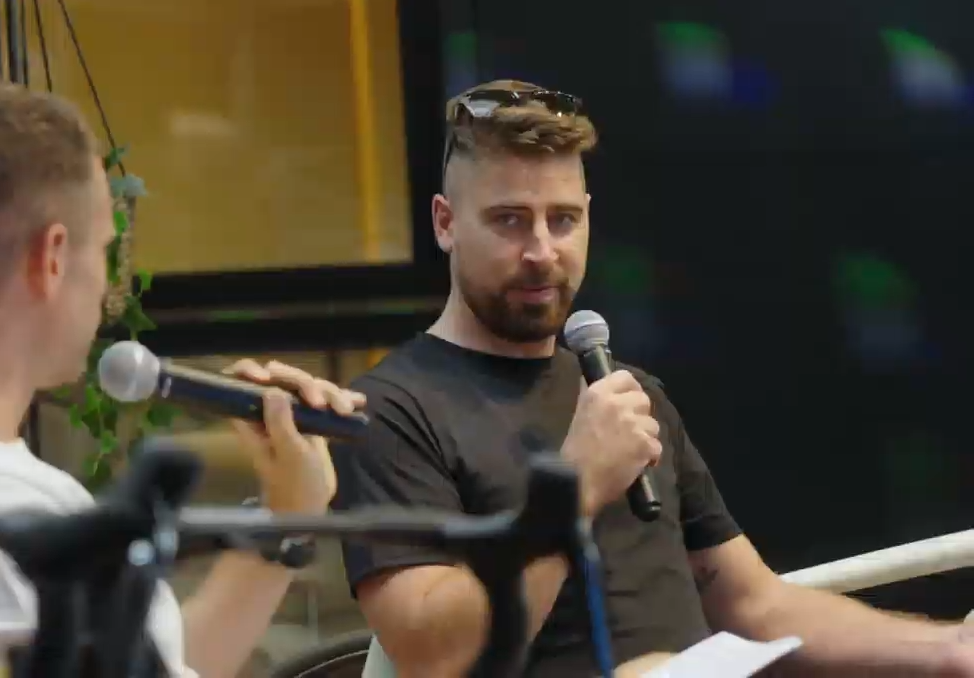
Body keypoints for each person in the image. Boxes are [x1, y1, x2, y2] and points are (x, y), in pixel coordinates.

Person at [329, 79, 974, 677]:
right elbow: (432, 656)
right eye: (509, 220)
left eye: (563, 219)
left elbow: (754, 602)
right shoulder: (390, 409)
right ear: (445, 223)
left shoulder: (624, 392)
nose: (542, 252)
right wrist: (574, 489)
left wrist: (948, 649)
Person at [0, 78, 365, 677]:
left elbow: (161, 662)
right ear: (53, 257)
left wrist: (285, 515)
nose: (106, 291)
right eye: (105, 252)